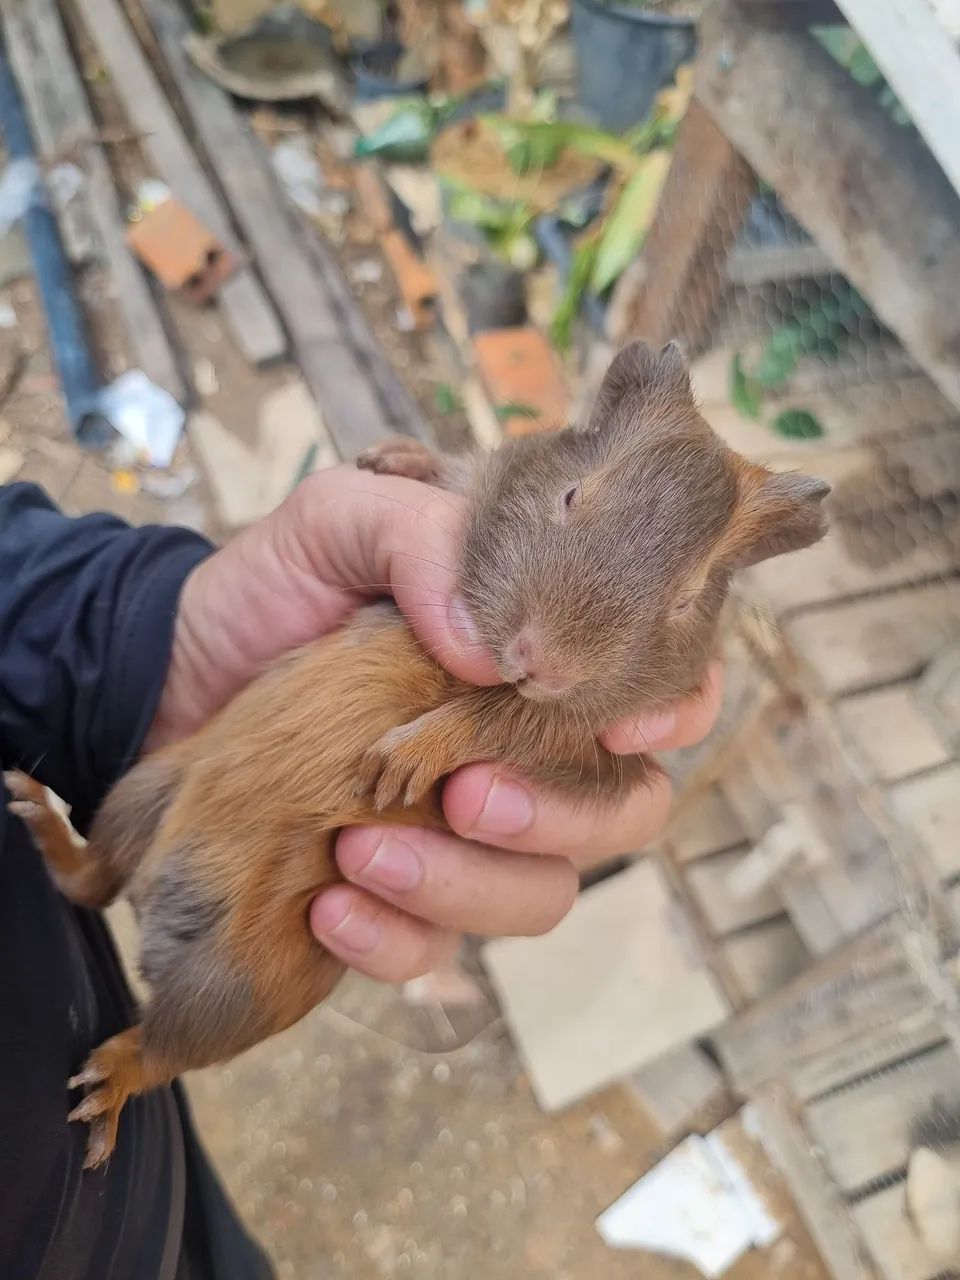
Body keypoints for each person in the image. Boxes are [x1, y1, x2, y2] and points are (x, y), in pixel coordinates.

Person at [0, 467, 722, 1279]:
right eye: (571, 501)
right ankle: (87, 874)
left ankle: (141, 1055)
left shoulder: (592, 679)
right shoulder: (523, 519)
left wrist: (134, 643)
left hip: (164, 1195)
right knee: (139, 811)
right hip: (203, 783)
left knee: (224, 992)